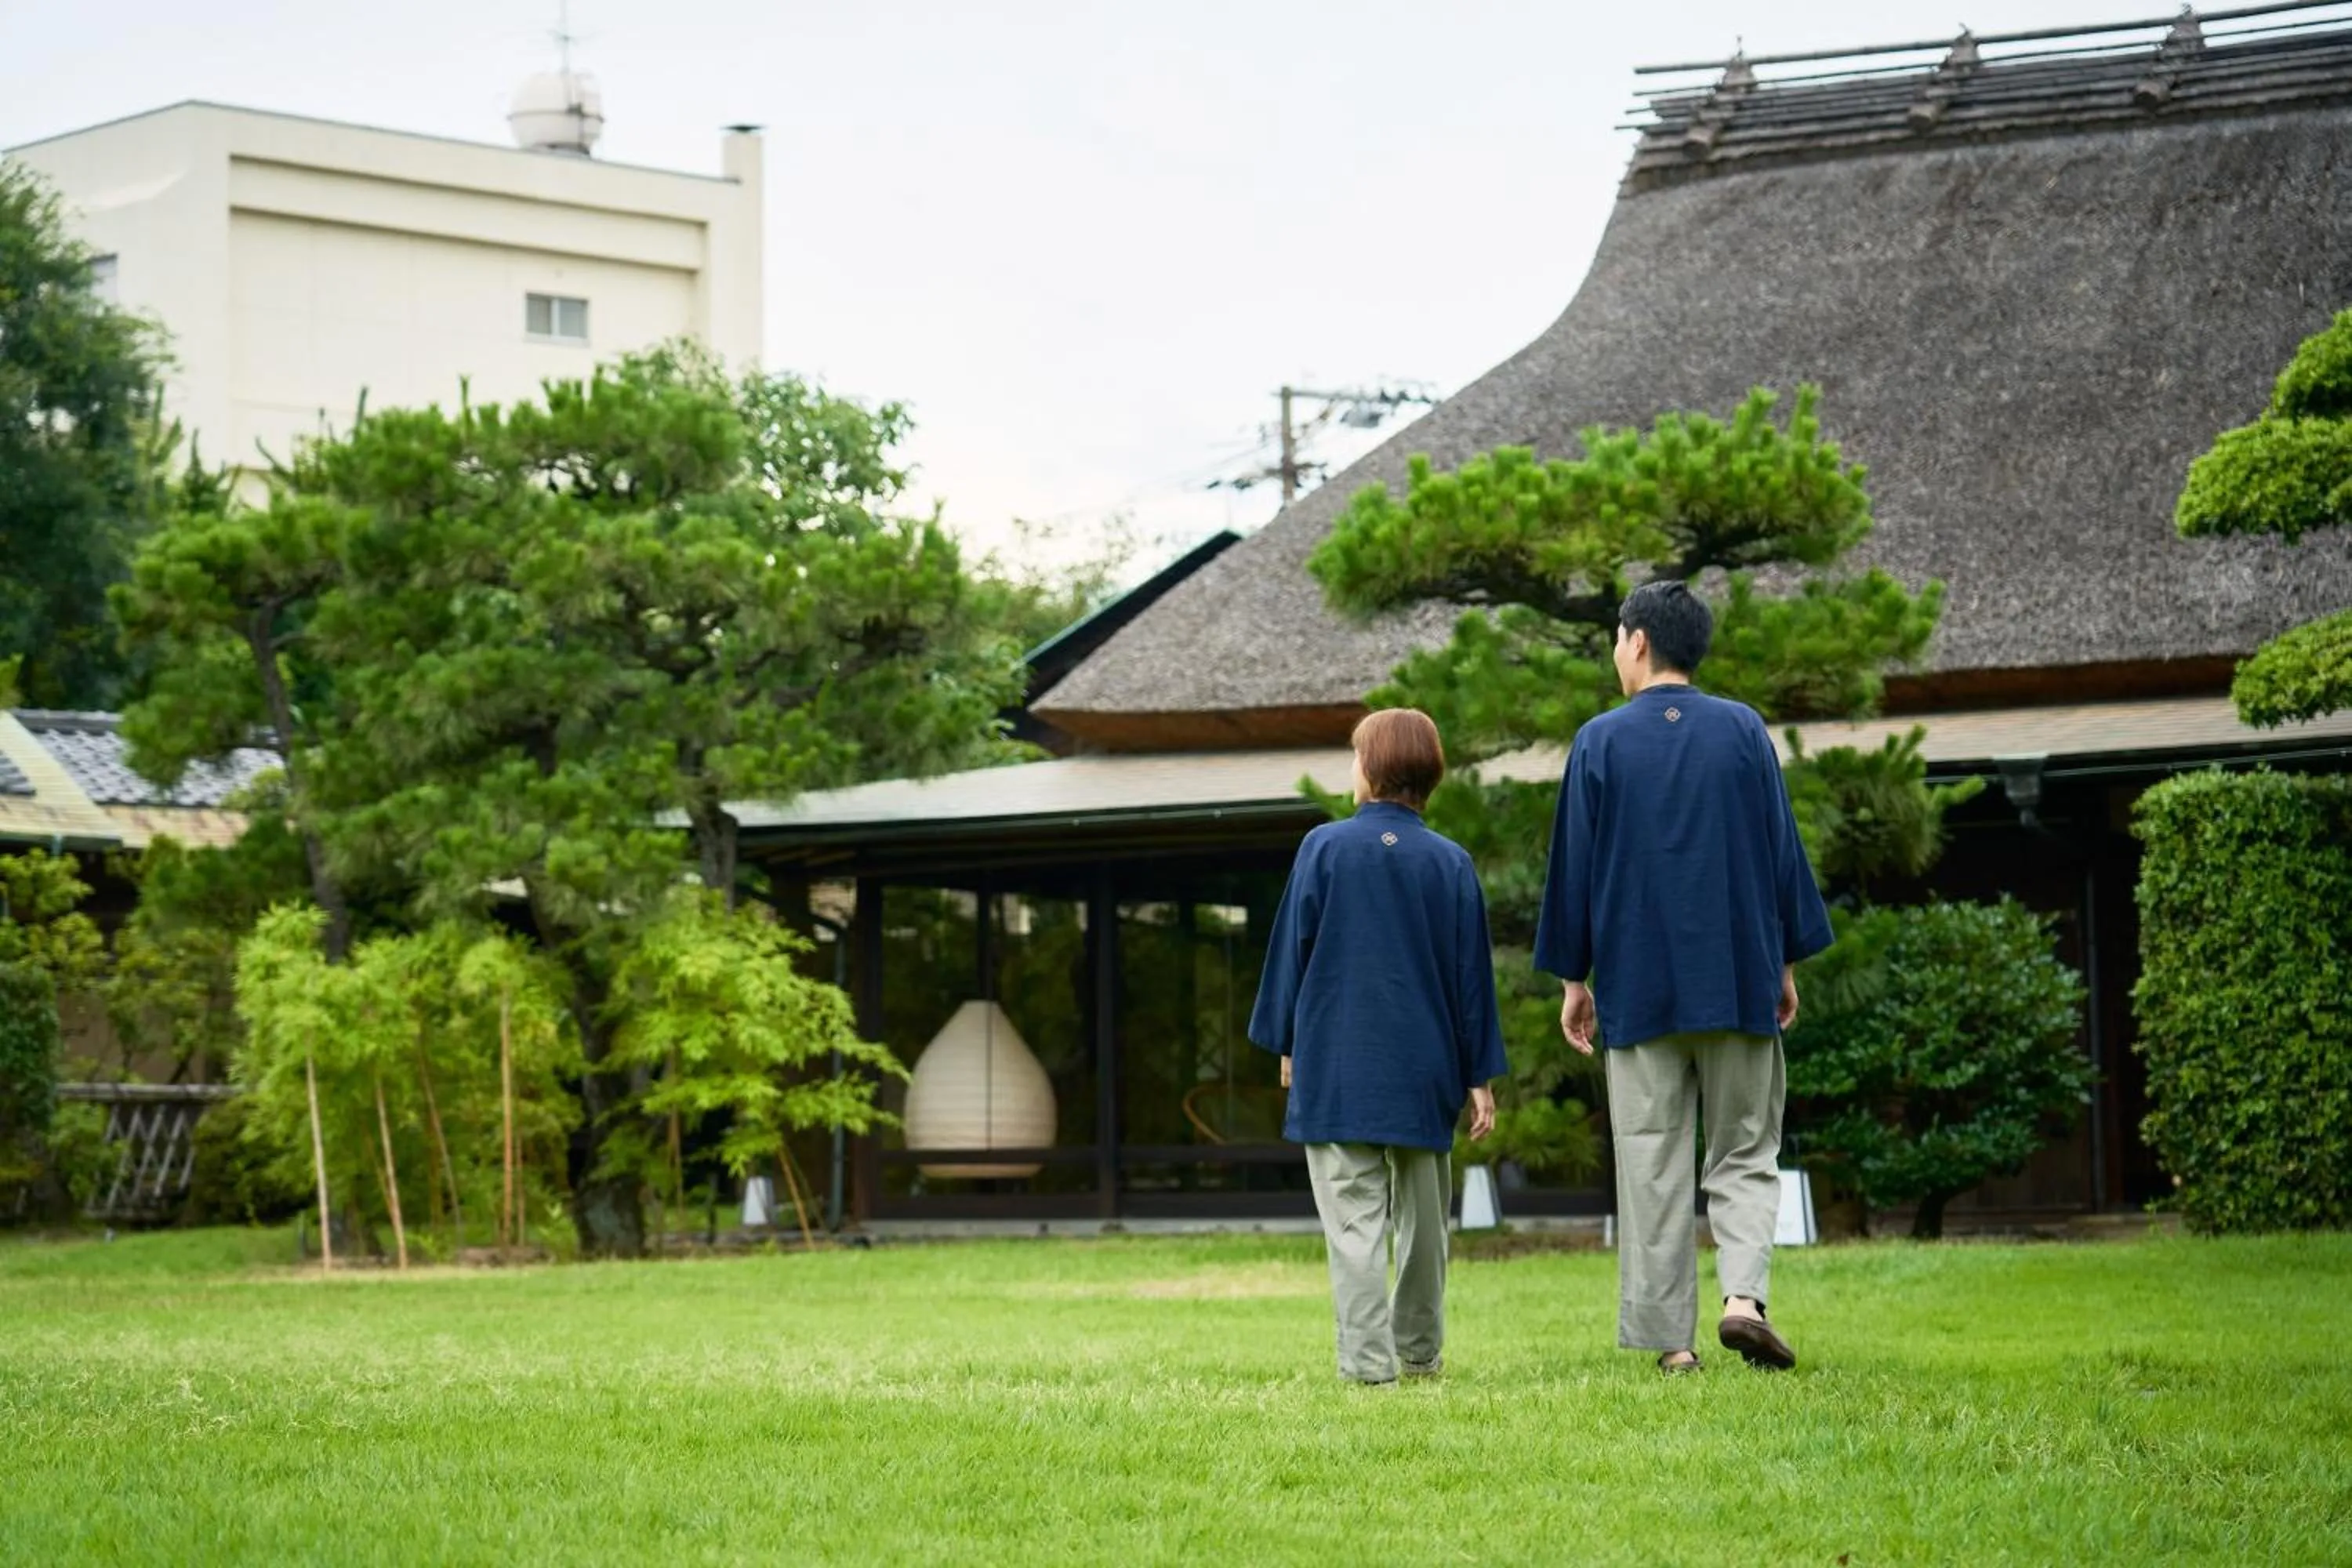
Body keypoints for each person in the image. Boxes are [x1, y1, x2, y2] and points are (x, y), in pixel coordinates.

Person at [1534, 580, 1833, 1376]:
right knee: (1745, 1148)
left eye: (1616, 638)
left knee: (1651, 1157)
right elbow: (1781, 854)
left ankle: (1673, 1343)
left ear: (1637, 642)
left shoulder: (1599, 741)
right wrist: (1784, 963)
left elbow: (1574, 869)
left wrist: (1573, 980)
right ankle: (1743, 1302)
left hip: (1638, 984)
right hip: (1737, 977)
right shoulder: (1742, 730)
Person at [1250, 707, 1509, 1385]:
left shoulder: (1324, 848)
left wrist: (1286, 1042)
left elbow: (1291, 954)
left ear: (1369, 769)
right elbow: (1472, 980)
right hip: (1426, 1067)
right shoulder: (1450, 862)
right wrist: (1479, 1074)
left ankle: (1368, 1366)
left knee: (1353, 1225)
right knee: (1423, 1224)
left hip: (1336, 1061)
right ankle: (1419, 1353)